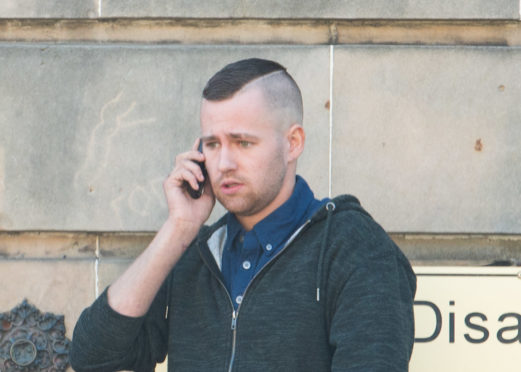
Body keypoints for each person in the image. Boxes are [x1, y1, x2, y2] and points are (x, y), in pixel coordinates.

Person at [70, 58, 416, 372]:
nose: (224, 164)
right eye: (213, 144)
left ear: (293, 143)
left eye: (243, 143)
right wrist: (179, 228)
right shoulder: (196, 252)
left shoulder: (352, 246)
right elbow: (94, 358)